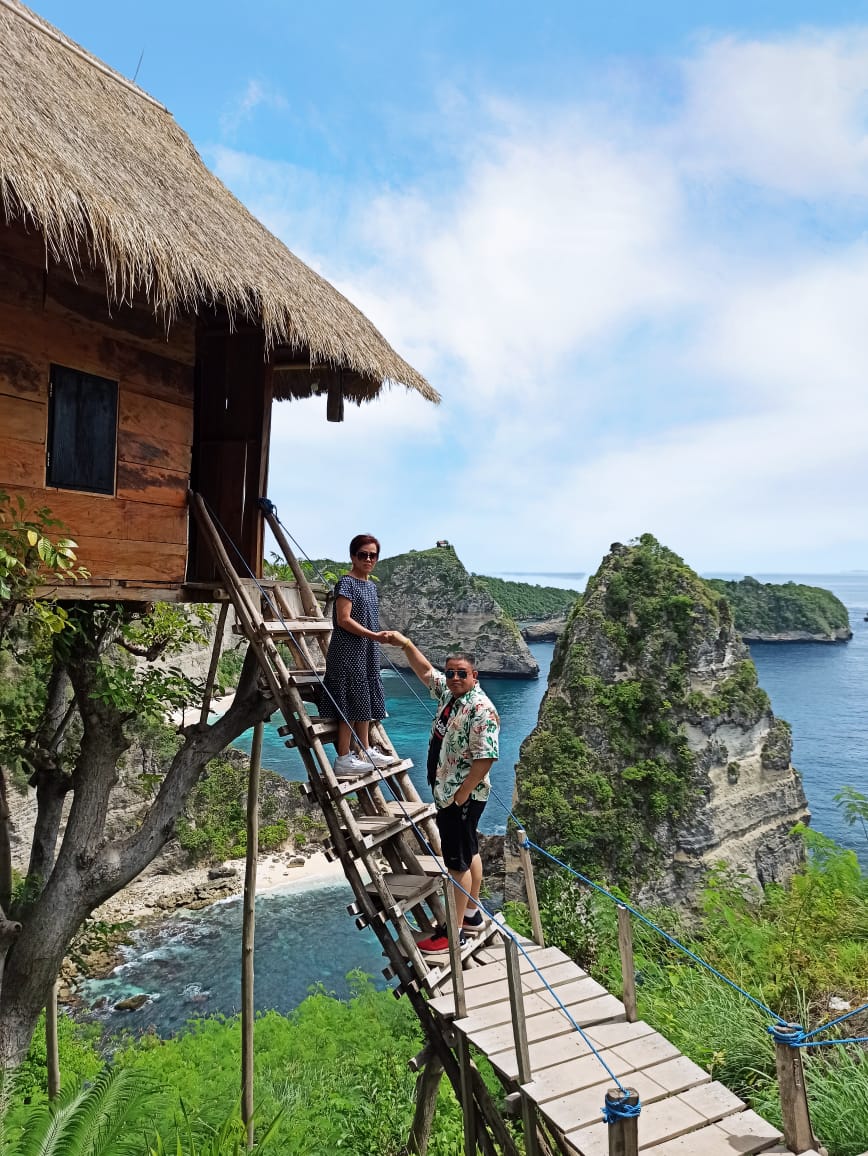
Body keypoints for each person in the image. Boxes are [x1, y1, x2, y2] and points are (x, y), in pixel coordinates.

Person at [391, 636, 500, 953]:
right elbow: (425, 672)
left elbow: (487, 756)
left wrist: (462, 795)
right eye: (450, 672)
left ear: (474, 676)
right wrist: (405, 644)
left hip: (460, 798)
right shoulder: (451, 696)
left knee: (456, 865)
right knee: (470, 852)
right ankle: (472, 915)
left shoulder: (480, 710)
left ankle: (454, 932)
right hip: (452, 795)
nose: (454, 678)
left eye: (461, 673)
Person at [319, 534, 396, 776]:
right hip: (347, 652)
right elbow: (343, 620)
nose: (368, 559)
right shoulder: (346, 583)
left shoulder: (371, 586)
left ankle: (365, 749)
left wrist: (373, 639)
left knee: (364, 700)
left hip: (366, 652)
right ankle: (343, 758)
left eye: (373, 555)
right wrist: (373, 636)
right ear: (353, 556)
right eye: (363, 554)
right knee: (350, 704)